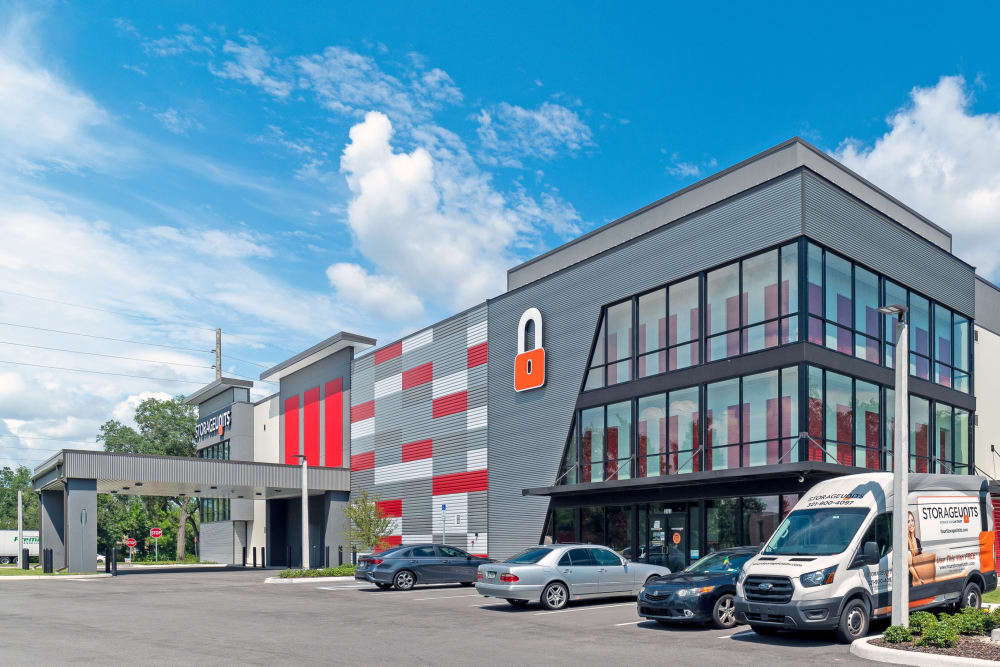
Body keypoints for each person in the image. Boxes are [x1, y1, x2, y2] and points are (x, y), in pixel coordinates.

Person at [907, 511, 924, 586]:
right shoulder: (905, 542)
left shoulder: (917, 541)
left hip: (920, 576)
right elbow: (910, 566)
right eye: (908, 521)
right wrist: (918, 579)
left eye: (912, 520)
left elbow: (921, 559)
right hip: (911, 580)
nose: (911, 523)